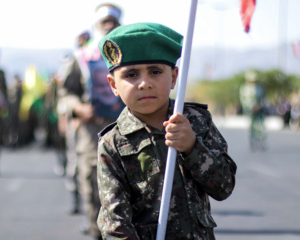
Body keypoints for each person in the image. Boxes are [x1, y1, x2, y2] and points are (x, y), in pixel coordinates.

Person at [97, 23, 237, 239]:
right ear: (113, 84)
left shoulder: (196, 122)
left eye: (155, 72)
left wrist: (192, 147)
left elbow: (224, 187)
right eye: (131, 75)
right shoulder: (113, 143)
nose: (144, 83)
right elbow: (115, 225)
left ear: (173, 77)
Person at [57, 3, 125, 239]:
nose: (108, 25)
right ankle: (97, 231)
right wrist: (78, 107)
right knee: (92, 185)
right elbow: (66, 93)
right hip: (91, 130)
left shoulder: (133, 53)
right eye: (104, 21)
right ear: (96, 24)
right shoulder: (82, 57)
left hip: (127, 129)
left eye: (112, 21)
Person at [239, 70, 266, 151]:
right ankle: (253, 144)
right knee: (252, 127)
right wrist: (250, 107)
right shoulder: (244, 88)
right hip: (250, 111)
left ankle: (261, 143)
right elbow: (243, 100)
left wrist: (258, 105)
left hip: (259, 110)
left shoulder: (259, 88)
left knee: (260, 126)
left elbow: (262, 99)